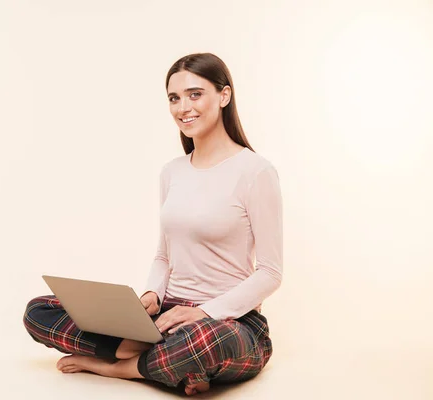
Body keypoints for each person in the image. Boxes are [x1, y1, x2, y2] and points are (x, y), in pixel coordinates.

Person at [23, 52, 283, 396]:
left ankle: (121, 367)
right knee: (38, 310)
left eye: (195, 94)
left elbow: (270, 273)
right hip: (166, 317)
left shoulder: (256, 172)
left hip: (228, 323)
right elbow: (164, 256)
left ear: (224, 95)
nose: (182, 107)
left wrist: (203, 312)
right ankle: (169, 365)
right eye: (174, 98)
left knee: (203, 342)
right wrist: (151, 295)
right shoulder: (172, 172)